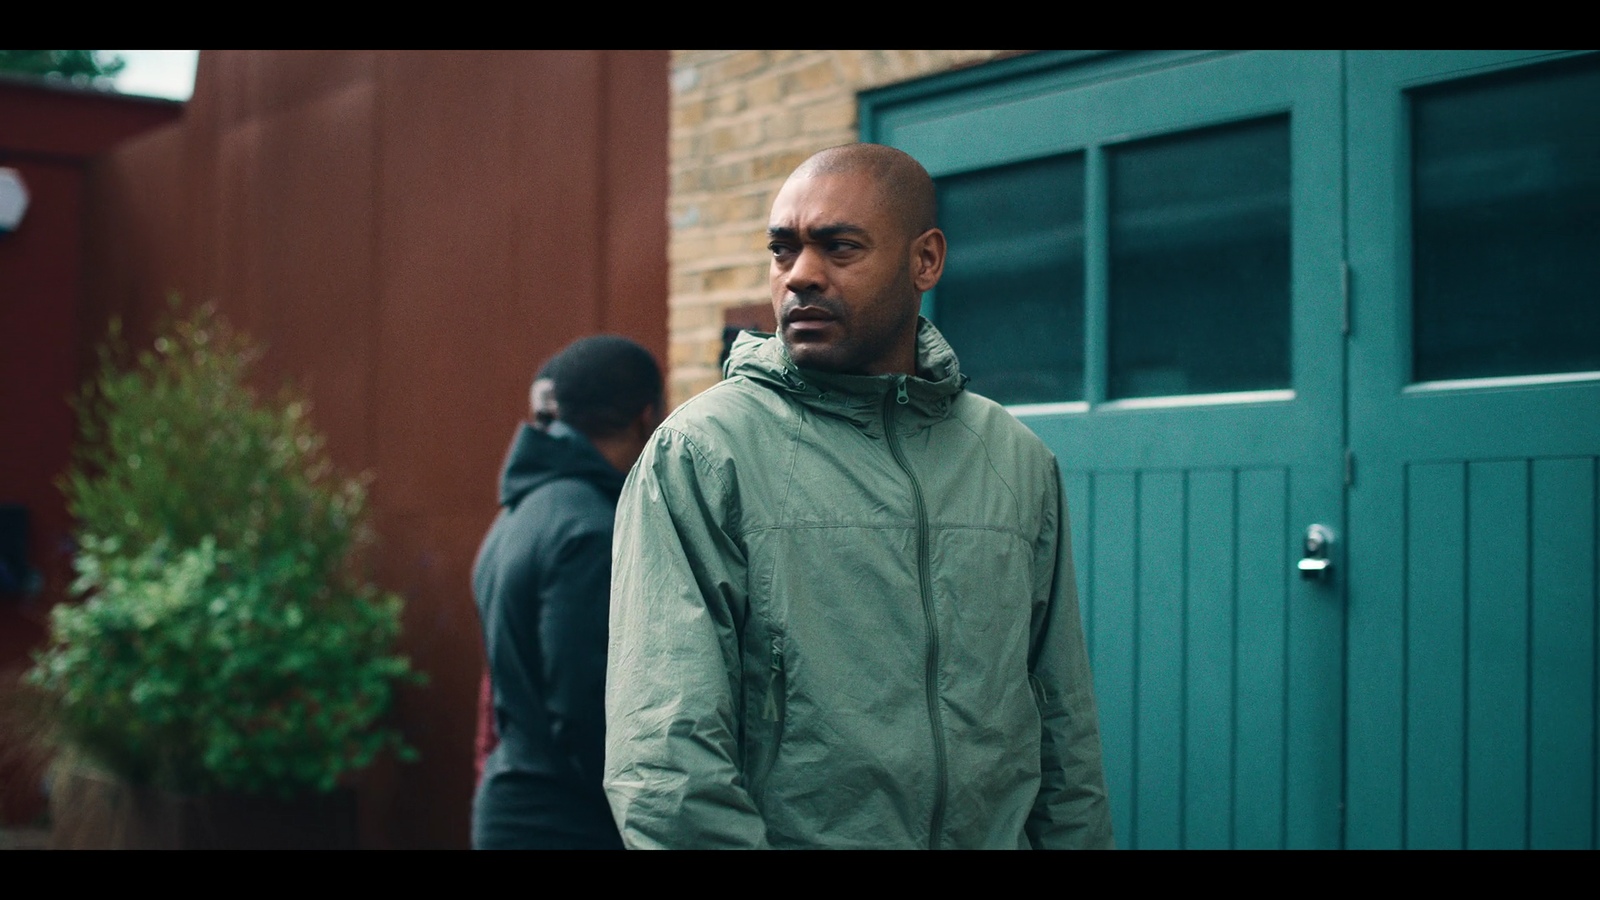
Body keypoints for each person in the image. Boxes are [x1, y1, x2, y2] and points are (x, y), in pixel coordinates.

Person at [604, 143, 1114, 849]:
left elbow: (1061, 719)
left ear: (925, 261)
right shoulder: (705, 452)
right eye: (783, 252)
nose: (801, 275)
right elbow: (666, 758)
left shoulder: (1012, 457)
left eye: (839, 248)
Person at [472, 336, 663, 850]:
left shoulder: (518, 515)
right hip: (565, 823)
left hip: (514, 806)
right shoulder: (589, 531)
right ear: (647, 418)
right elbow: (587, 711)